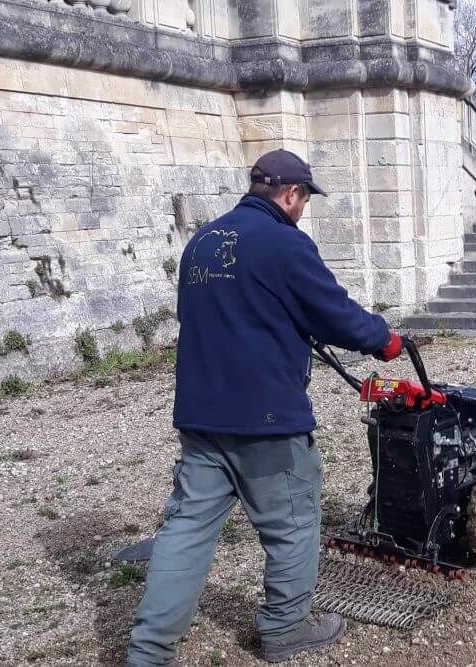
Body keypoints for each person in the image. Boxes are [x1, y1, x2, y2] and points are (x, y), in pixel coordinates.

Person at [126, 149, 402, 665]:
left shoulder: (203, 243)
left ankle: (147, 652)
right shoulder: (285, 244)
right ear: (291, 194)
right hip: (267, 420)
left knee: (185, 531)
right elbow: (336, 314)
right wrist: (384, 339)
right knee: (294, 522)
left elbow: (211, 315)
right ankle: (284, 628)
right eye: (304, 200)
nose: (303, 210)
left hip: (200, 415)